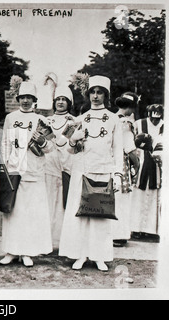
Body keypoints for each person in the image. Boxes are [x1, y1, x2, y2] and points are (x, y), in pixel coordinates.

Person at [58, 75, 123, 272]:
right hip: (81, 171)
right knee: (80, 216)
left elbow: (118, 149)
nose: (95, 96)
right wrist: (72, 140)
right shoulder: (79, 119)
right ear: (88, 95)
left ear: (106, 95)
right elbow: (66, 148)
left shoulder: (114, 119)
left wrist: (118, 174)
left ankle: (99, 256)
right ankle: (80, 254)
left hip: (103, 171)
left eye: (99, 92)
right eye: (92, 92)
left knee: (100, 216)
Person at [0, 82, 53, 267]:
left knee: (31, 214)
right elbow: (5, 141)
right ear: (18, 99)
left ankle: (28, 252)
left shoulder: (42, 120)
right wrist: (6, 165)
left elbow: (51, 147)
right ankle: (11, 251)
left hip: (34, 172)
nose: (25, 101)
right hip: (15, 171)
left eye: (29, 98)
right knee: (13, 212)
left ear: (34, 100)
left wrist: (43, 142)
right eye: (22, 98)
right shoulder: (10, 118)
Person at [45, 85, 76, 247]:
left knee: (64, 203)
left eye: (64, 100)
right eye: (58, 99)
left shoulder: (73, 121)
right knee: (50, 201)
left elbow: (67, 143)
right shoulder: (46, 120)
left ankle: (63, 241)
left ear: (69, 103)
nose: (61, 102)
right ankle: (47, 240)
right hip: (49, 166)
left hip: (67, 165)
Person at [131, 104, 164, 240]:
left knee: (155, 197)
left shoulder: (165, 125)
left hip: (159, 166)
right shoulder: (139, 124)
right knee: (138, 196)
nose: (154, 119)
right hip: (141, 164)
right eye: (152, 114)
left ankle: (152, 230)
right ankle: (136, 228)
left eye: (158, 115)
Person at [112, 92, 140, 247]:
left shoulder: (111, 119)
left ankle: (111, 233)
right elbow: (129, 149)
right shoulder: (126, 124)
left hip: (110, 163)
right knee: (122, 200)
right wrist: (137, 163)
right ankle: (119, 234)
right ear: (130, 108)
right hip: (121, 164)